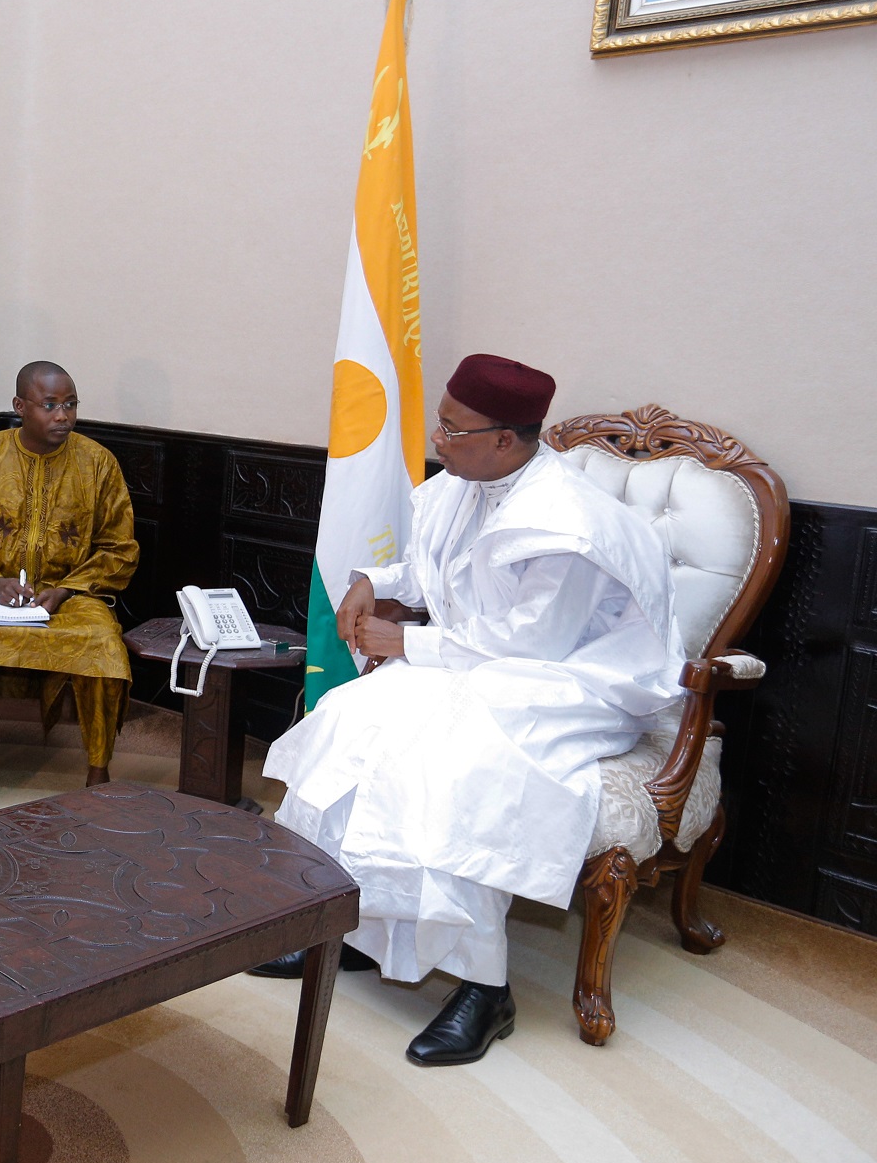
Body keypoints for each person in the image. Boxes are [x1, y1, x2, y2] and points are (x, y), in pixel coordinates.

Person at [258, 354, 684, 1066]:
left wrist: (407, 642)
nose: (438, 439)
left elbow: (533, 643)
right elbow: (439, 571)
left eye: (453, 430)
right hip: (481, 666)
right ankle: (347, 925)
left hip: (575, 682)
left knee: (457, 762)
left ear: (506, 440)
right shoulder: (466, 482)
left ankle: (486, 989)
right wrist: (374, 581)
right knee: (352, 722)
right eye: (441, 422)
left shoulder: (569, 524)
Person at [0, 361, 138, 816]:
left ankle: (98, 772)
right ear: (20, 406)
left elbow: (120, 549)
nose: (63, 415)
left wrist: (66, 590)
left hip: (72, 597)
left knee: (104, 645)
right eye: (50, 405)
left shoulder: (98, 464)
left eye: (70, 404)